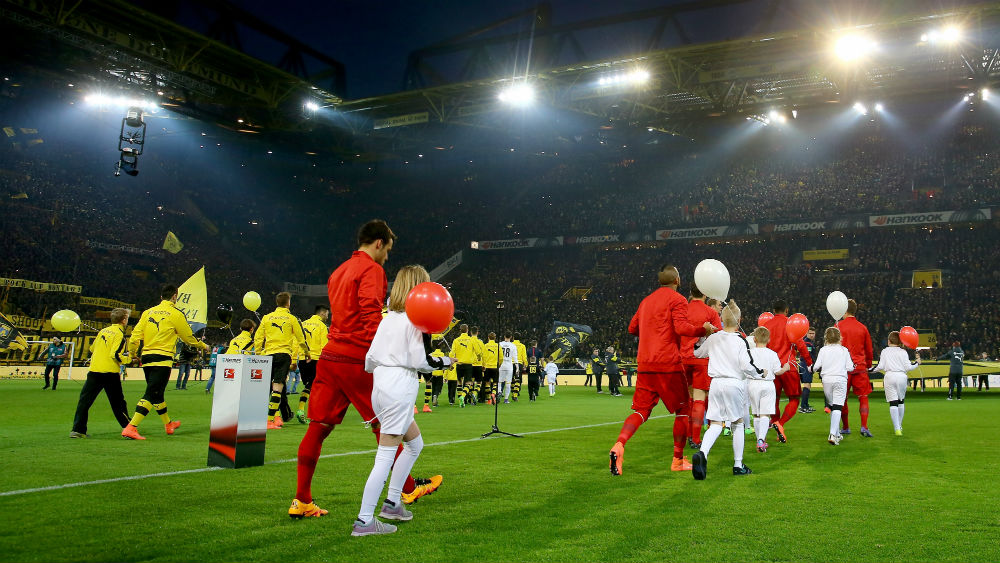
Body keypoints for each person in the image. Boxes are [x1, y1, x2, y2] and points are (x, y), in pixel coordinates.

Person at [291, 220, 440, 519]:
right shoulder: (372, 270)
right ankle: (406, 490)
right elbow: (371, 315)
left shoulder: (338, 271)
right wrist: (388, 349)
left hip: (330, 357)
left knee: (317, 428)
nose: (387, 256)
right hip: (357, 357)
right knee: (386, 425)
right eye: (388, 249)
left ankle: (302, 500)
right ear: (379, 243)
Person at [353, 265, 454, 536]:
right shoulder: (416, 321)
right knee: (385, 456)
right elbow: (422, 361)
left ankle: (392, 503)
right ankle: (364, 521)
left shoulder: (387, 319)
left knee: (415, 444)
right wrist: (446, 361)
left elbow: (369, 360)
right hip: (398, 389)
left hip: (381, 387)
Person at [609, 264, 714, 475]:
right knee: (683, 410)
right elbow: (681, 328)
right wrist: (703, 330)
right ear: (677, 280)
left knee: (641, 411)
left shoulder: (646, 301)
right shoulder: (678, 299)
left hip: (645, 364)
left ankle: (619, 444)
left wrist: (651, 332)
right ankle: (677, 460)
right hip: (668, 364)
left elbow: (632, 328)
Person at [123, 284, 209, 440]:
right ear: (175, 296)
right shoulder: (176, 314)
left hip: (147, 357)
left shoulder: (148, 312)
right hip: (162, 358)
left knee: (157, 393)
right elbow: (188, 337)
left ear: (161, 296)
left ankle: (168, 424)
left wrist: (133, 353)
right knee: (151, 393)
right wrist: (203, 345)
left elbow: (135, 336)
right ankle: (131, 427)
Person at [691, 300, 760, 480]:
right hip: (733, 383)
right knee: (737, 423)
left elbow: (697, 353)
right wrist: (760, 372)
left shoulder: (714, 338)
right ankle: (738, 464)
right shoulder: (740, 340)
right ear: (739, 320)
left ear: (721, 319)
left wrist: (703, 336)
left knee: (715, 424)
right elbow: (747, 365)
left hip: (715, 383)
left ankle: (703, 453)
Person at [70, 308, 132, 438]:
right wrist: (129, 359)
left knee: (84, 402)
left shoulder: (103, 331)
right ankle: (128, 429)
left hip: (94, 371)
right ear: (124, 320)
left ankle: (78, 430)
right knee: (118, 403)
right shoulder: (119, 334)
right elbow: (115, 355)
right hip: (110, 373)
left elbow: (92, 348)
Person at [255, 292, 308, 429]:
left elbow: (258, 337)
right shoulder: (292, 318)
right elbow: (301, 338)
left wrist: (258, 354)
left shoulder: (266, 318)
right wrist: (306, 352)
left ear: (277, 302)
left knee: (271, 388)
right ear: (288, 303)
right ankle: (269, 420)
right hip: (283, 355)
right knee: (278, 388)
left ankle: (277, 417)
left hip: (268, 355)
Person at [762, 300, 812, 443]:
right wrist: (809, 362)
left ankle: (775, 422)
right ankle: (780, 424)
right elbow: (801, 345)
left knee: (774, 399)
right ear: (786, 310)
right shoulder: (791, 324)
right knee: (794, 399)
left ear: (774, 310)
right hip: (789, 367)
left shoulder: (766, 326)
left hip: (772, 369)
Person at [681, 282, 722, 448]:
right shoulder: (710, 312)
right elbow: (718, 335)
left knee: (688, 399)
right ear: (705, 293)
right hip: (701, 359)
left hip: (683, 359)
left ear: (691, 292)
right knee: (699, 399)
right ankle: (696, 439)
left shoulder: (682, 310)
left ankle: (687, 435)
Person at [747, 327, 790, 452]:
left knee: (756, 414)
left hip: (753, 384)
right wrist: (786, 368)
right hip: (767, 384)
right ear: (769, 340)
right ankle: (761, 440)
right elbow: (778, 372)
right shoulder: (772, 354)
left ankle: (760, 441)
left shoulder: (749, 353)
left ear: (754, 339)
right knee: (765, 414)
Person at [836, 300, 874, 437]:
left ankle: (846, 427)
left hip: (843, 369)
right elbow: (869, 349)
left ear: (844, 310)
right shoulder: (862, 328)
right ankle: (864, 426)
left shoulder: (838, 326)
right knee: (863, 397)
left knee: (842, 399)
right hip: (860, 367)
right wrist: (868, 364)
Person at [872, 331, 920, 435]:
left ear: (889, 341)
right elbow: (908, 367)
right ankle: (900, 425)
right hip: (901, 376)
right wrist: (917, 363)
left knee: (893, 403)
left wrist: (870, 370)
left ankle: (897, 428)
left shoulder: (885, 351)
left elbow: (880, 366)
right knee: (901, 401)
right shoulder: (903, 352)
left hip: (889, 376)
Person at [812, 327, 854, 445]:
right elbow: (850, 367)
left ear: (826, 337)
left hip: (826, 380)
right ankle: (832, 434)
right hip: (840, 379)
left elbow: (816, 367)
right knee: (837, 407)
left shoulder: (823, 350)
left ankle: (837, 433)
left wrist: (811, 369)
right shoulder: (844, 350)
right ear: (839, 337)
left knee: (832, 406)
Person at [298, 305, 330, 422]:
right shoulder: (322, 326)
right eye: (327, 314)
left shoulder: (302, 324)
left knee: (309, 385)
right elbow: (324, 346)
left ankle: (306, 411)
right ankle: (305, 411)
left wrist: (294, 359)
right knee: (314, 386)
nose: (327, 316)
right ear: (322, 313)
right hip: (315, 358)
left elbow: (297, 341)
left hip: (302, 358)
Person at [451, 324, 475, 407]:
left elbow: (452, 353)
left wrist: (451, 363)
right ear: (467, 330)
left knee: (459, 382)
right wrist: (478, 357)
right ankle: (463, 396)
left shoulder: (456, 340)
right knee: (468, 382)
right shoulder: (471, 340)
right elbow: (478, 351)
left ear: (460, 330)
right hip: (468, 364)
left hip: (459, 364)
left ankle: (460, 399)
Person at [798, 327, 818, 413]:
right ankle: (803, 406)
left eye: (813, 333)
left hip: (806, 364)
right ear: (806, 334)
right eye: (810, 333)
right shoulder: (806, 343)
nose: (812, 335)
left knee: (808, 384)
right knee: (807, 384)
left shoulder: (809, 342)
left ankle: (805, 405)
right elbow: (807, 355)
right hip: (806, 365)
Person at [498, 333, 517, 403]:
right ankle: (506, 399)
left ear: (504, 336)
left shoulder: (500, 344)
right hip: (509, 365)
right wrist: (517, 367)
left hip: (501, 365)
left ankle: (499, 392)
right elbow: (515, 357)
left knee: (499, 381)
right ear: (511, 337)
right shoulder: (513, 345)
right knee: (508, 383)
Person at [470, 326, 486, 404]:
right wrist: (484, 365)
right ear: (477, 333)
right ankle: (475, 393)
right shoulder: (480, 342)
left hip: (470, 365)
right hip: (478, 365)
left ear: (470, 332)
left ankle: (470, 399)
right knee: (479, 382)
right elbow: (483, 355)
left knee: (470, 382)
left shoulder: (468, 341)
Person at [482, 332, 499, 404]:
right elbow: (501, 357)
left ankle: (488, 399)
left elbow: (483, 356)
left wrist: (483, 365)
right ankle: (493, 394)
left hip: (487, 367)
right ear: (495, 338)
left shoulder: (485, 346)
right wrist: (499, 364)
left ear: (488, 338)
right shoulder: (498, 346)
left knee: (487, 383)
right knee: (495, 383)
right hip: (495, 366)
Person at [511, 333, 527, 401]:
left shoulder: (511, 345)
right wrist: (525, 365)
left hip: (511, 363)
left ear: (513, 337)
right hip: (519, 364)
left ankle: (512, 391)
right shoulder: (522, 346)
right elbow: (524, 357)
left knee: (511, 379)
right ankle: (515, 395)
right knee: (518, 379)